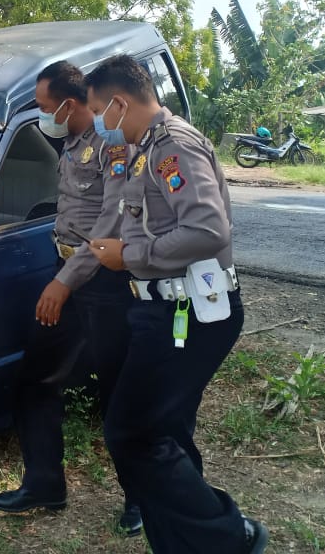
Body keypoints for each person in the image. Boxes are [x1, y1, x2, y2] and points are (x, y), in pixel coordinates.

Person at [85, 55, 267, 554]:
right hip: (164, 307)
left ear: (120, 103)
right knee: (164, 435)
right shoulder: (146, 148)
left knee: (132, 434)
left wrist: (131, 256)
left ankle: (231, 537)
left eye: (100, 111)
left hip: (187, 312)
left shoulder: (173, 146)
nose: (100, 124)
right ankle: (184, 544)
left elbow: (208, 229)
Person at [0, 61, 140, 536]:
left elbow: (111, 223)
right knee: (36, 379)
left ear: (70, 105)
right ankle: (44, 484)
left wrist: (64, 282)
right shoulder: (69, 141)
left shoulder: (111, 144)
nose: (41, 115)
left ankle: (142, 497)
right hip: (67, 274)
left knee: (118, 392)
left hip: (104, 284)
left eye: (44, 106)